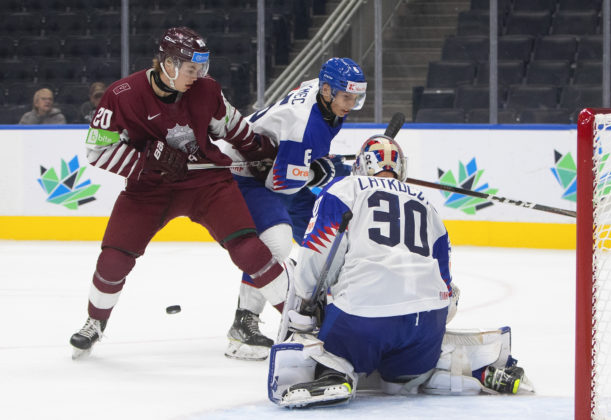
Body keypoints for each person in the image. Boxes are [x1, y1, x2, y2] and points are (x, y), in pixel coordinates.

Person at [69, 27, 290, 359]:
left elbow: (234, 127)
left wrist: (262, 152)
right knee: (113, 260)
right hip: (149, 190)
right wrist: (146, 165)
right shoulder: (121, 94)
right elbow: (97, 151)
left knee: (249, 249)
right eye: (191, 68)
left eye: (202, 68)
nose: (198, 75)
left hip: (207, 185)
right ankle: (94, 322)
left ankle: (300, 323)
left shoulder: (207, 90)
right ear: (168, 64)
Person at [267, 135, 530, 408]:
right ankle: (468, 371)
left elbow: (317, 252)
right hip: (425, 325)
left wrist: (308, 303)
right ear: (401, 168)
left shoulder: (344, 188)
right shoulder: (428, 205)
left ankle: (334, 373)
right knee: (399, 383)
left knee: (332, 350)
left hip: (363, 318)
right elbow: (446, 283)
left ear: (360, 165)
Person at [220, 57, 366, 361]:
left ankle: (338, 301)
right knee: (276, 242)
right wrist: (314, 172)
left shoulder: (321, 93)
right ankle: (243, 323)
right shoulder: (304, 125)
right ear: (327, 90)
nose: (350, 105)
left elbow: (292, 157)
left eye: (355, 97)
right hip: (246, 174)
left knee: (331, 230)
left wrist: (310, 165)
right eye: (346, 97)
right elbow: (279, 184)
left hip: (279, 165)